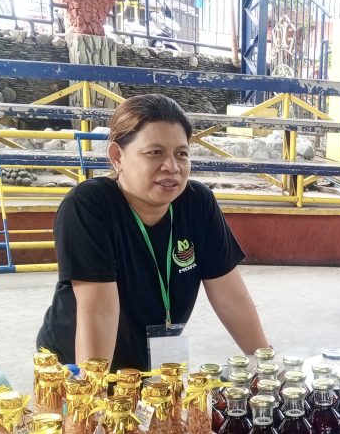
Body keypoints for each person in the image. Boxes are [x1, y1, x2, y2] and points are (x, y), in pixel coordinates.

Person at [37, 94, 268, 370]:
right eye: (155, 152)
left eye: (181, 153)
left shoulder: (198, 203)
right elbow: (99, 311)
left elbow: (231, 298)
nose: (172, 166)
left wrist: (266, 365)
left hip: (152, 368)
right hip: (79, 367)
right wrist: (92, 397)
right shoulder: (89, 205)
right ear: (117, 156)